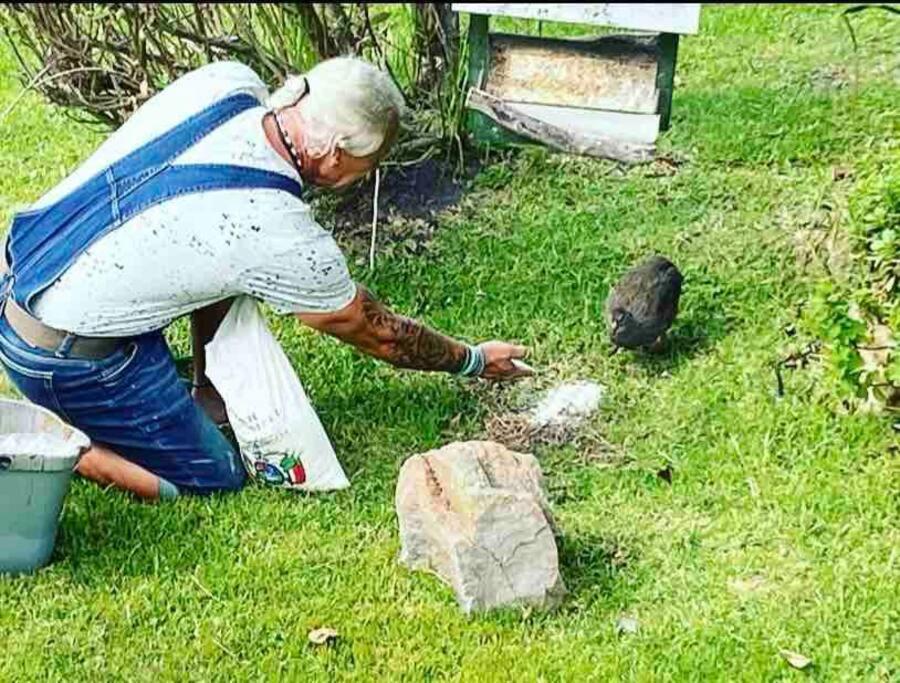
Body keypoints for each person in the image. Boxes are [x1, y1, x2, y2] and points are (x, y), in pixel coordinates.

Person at [0, 57, 532, 501]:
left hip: (21, 276)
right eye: (367, 165)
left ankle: (205, 395)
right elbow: (378, 330)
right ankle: (56, 443)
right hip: (61, 358)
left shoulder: (226, 83)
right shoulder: (271, 225)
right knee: (212, 477)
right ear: (334, 153)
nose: (363, 179)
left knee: (221, 272)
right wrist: (472, 360)